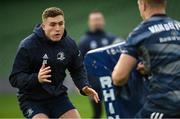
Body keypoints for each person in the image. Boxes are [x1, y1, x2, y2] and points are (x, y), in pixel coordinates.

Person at [9, 7, 99, 119]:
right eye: (52, 24)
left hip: (58, 97)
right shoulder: (28, 46)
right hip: (32, 100)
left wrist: (84, 86)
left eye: (61, 24)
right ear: (43, 26)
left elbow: (77, 69)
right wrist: (36, 78)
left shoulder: (69, 44)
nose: (58, 28)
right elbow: (14, 78)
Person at [112, 0, 180, 118]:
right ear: (164, 3)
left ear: (143, 4)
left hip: (165, 106)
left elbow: (119, 77)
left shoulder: (140, 33)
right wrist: (150, 67)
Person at [79, 10, 122, 119]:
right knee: (97, 114)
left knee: (115, 112)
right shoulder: (84, 42)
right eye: (94, 20)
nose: (97, 22)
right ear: (89, 22)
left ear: (103, 21)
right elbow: (80, 65)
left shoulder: (111, 39)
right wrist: (84, 84)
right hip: (94, 85)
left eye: (98, 19)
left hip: (112, 83)